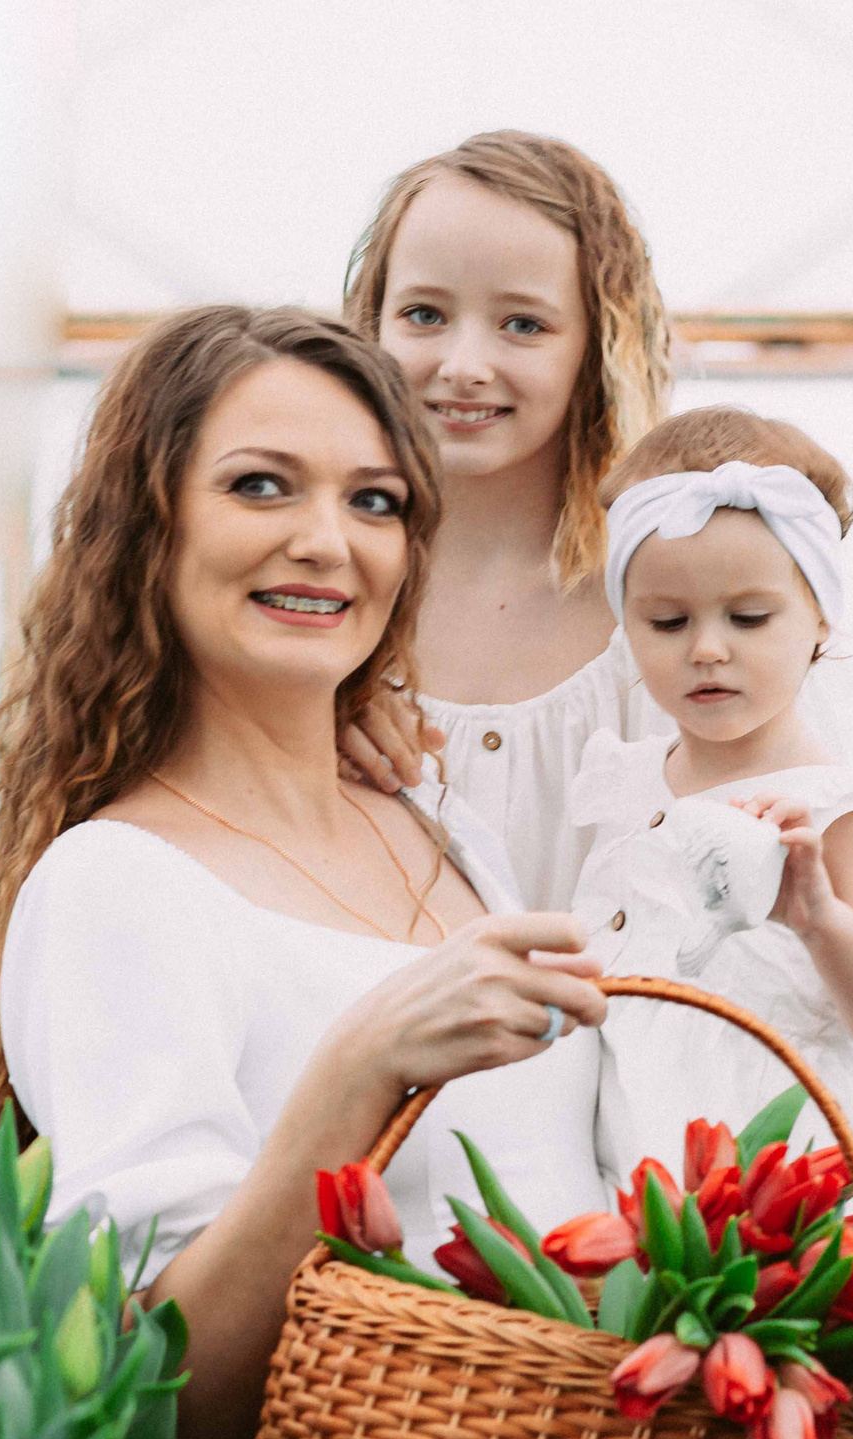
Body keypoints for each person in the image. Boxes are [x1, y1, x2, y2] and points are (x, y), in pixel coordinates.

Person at [0, 305, 613, 1439]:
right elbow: (165, 1385)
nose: (326, 541)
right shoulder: (118, 885)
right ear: (146, 528)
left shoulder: (447, 837)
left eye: (374, 501)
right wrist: (358, 1070)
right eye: (259, 487)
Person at [569, 406, 853, 1209]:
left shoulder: (844, 813)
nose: (707, 647)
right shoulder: (629, 785)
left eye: (749, 617)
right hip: (629, 1175)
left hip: (788, 1187)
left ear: (819, 615)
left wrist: (821, 920)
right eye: (667, 620)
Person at [331, 129, 677, 910]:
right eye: (424, 314)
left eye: (522, 324)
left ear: (598, 346)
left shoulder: (674, 594)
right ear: (371, 324)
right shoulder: (314, 586)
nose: (462, 365)